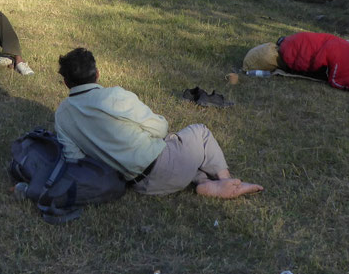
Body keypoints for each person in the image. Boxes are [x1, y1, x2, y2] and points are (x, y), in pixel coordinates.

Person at [54, 48, 263, 199]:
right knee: (200, 132)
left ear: (65, 82)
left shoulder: (62, 115)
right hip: (163, 165)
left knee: (176, 145)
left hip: (139, 185)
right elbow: (160, 128)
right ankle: (226, 180)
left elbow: (75, 159)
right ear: (98, 74)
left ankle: (204, 182)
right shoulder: (114, 96)